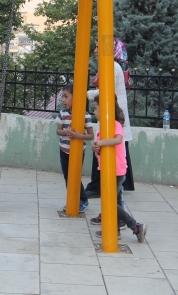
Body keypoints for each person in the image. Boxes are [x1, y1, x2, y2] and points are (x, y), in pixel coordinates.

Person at [90, 95, 147, 242]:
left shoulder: (115, 124)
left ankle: (135, 226)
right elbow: (99, 145)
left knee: (109, 202)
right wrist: (96, 147)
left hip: (116, 170)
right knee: (111, 202)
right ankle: (114, 231)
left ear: (105, 109)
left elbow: (118, 139)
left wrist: (100, 143)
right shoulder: (103, 126)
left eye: (95, 108)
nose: (94, 112)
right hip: (107, 169)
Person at [85, 39, 135, 198]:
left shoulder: (112, 66)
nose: (95, 51)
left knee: (103, 146)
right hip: (113, 114)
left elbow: (107, 93)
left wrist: (83, 93)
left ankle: (96, 186)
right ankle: (120, 184)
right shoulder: (112, 66)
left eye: (98, 47)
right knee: (119, 151)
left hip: (112, 115)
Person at [55, 84, 94, 212]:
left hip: (77, 151)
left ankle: (83, 200)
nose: (63, 100)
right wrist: (66, 132)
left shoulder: (85, 115)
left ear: (75, 97)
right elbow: (58, 131)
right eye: (63, 97)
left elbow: (90, 135)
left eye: (66, 97)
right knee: (67, 176)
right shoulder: (63, 113)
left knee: (75, 176)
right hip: (64, 150)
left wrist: (78, 136)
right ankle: (72, 200)